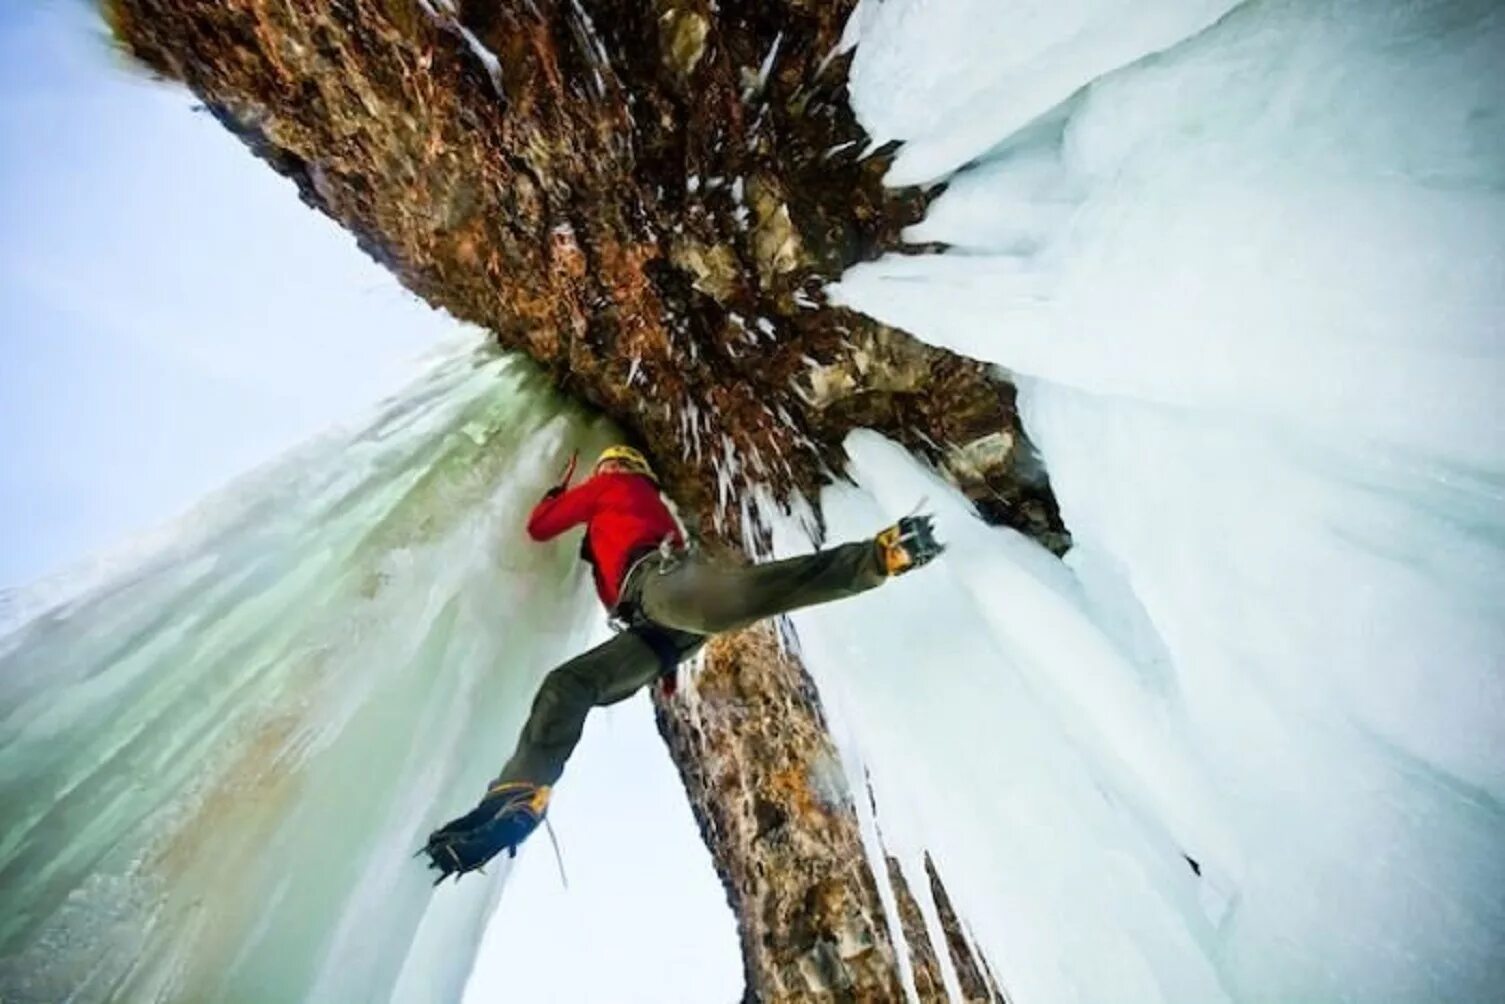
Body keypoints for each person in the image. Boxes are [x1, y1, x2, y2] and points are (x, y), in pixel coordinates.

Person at [421, 444, 943, 882]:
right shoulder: (636, 504)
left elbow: (540, 527)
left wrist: (556, 496)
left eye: (607, 467)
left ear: (619, 469)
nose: (603, 473)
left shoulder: (614, 488)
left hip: (657, 588)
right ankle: (521, 793)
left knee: (723, 606)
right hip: (655, 621)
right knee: (568, 684)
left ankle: (877, 556)